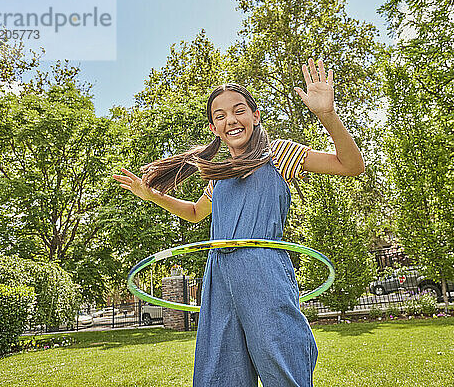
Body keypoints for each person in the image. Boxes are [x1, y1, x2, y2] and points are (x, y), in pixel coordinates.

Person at [113, 58, 364, 387]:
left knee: (282, 365)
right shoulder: (220, 175)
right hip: (219, 277)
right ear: (214, 128)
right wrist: (153, 196)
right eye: (220, 116)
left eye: (239, 110)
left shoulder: (277, 154)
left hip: (263, 272)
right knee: (220, 373)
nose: (230, 119)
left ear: (255, 115)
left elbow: (350, 165)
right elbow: (194, 213)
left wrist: (327, 116)